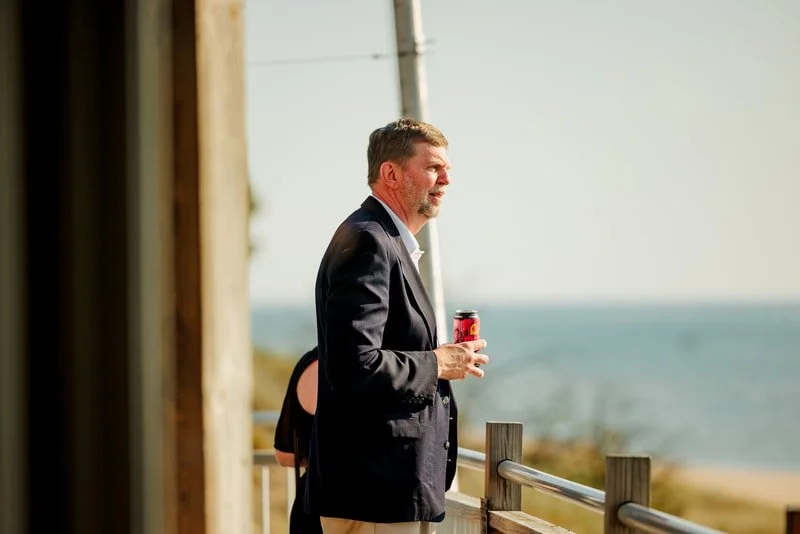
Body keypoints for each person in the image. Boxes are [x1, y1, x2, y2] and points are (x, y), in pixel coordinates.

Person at [305, 118, 490, 534]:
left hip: (373, 489)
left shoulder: (375, 237)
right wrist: (437, 364)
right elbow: (356, 366)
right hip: (375, 494)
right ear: (391, 173)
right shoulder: (371, 242)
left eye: (447, 170)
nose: (446, 180)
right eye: (433, 167)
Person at [274, 346, 324, 534]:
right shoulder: (366, 363)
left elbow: (284, 455)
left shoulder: (308, 362)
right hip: (353, 504)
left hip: (309, 499)